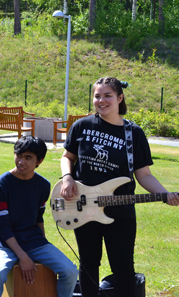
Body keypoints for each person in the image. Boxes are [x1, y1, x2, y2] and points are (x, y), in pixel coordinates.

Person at [59, 77, 179, 297]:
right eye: (97, 96)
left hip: (120, 209)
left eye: (107, 95)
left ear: (120, 98)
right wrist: (67, 177)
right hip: (83, 206)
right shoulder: (82, 126)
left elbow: (143, 175)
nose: (101, 100)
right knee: (88, 263)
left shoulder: (134, 133)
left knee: (123, 267)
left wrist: (166, 195)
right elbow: (67, 156)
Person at [0, 135, 78, 297]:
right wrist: (23, 256)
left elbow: (38, 218)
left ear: (39, 161)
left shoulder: (43, 185)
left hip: (33, 240)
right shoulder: (0, 184)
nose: (21, 162)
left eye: (28, 158)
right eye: (18, 156)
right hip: (4, 242)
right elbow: (2, 227)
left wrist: (44, 243)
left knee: (70, 271)